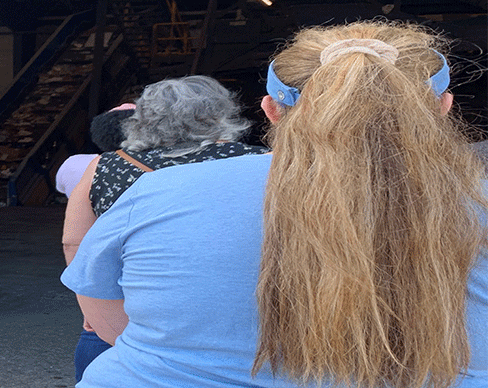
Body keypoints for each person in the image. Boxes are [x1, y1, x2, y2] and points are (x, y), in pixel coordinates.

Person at [62, 21, 488, 387]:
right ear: (442, 107)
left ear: (271, 109)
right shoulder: (477, 201)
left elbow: (103, 312)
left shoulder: (159, 191)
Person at [61, 76, 269, 382]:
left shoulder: (108, 166)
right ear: (222, 113)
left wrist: (98, 312)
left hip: (130, 314)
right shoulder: (260, 161)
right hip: (244, 322)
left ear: (143, 117)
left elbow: (74, 243)